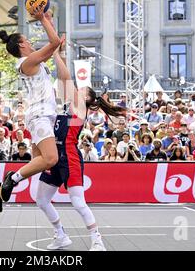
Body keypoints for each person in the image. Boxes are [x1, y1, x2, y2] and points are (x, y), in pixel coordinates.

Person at [27, 45, 125, 252]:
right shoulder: (65, 104)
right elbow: (63, 79)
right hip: (53, 153)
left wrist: (55, 53)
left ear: (87, 98)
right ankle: (61, 235)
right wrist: (59, 52)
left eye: (83, 89)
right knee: (42, 199)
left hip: (69, 154)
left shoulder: (80, 106)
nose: (78, 88)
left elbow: (65, 78)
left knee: (78, 202)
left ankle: (97, 239)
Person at [0, 8, 62, 204]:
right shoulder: (27, 62)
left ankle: (0, 186)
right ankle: (10, 180)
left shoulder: (34, 61)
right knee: (50, 159)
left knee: (39, 161)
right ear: (22, 44)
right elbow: (54, 42)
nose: (31, 42)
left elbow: (54, 45)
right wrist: (41, 19)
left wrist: (48, 20)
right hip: (40, 115)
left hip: (42, 115)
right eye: (28, 40)